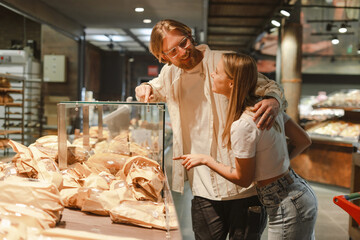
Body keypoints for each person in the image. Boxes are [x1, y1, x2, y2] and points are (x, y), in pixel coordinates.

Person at [135, 19, 287, 240]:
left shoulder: (223, 61)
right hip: (203, 186)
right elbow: (154, 87)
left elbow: (271, 87)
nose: (183, 52)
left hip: (243, 187)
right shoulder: (170, 74)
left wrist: (274, 100)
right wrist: (145, 87)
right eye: (173, 51)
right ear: (164, 57)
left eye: (184, 42)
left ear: (190, 35)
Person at [174, 53, 318, 239]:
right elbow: (303, 140)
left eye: (217, 73)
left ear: (231, 83)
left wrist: (206, 160)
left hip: (285, 204)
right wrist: (273, 166)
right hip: (298, 191)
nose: (212, 75)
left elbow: (243, 179)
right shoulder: (265, 109)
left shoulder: (243, 124)